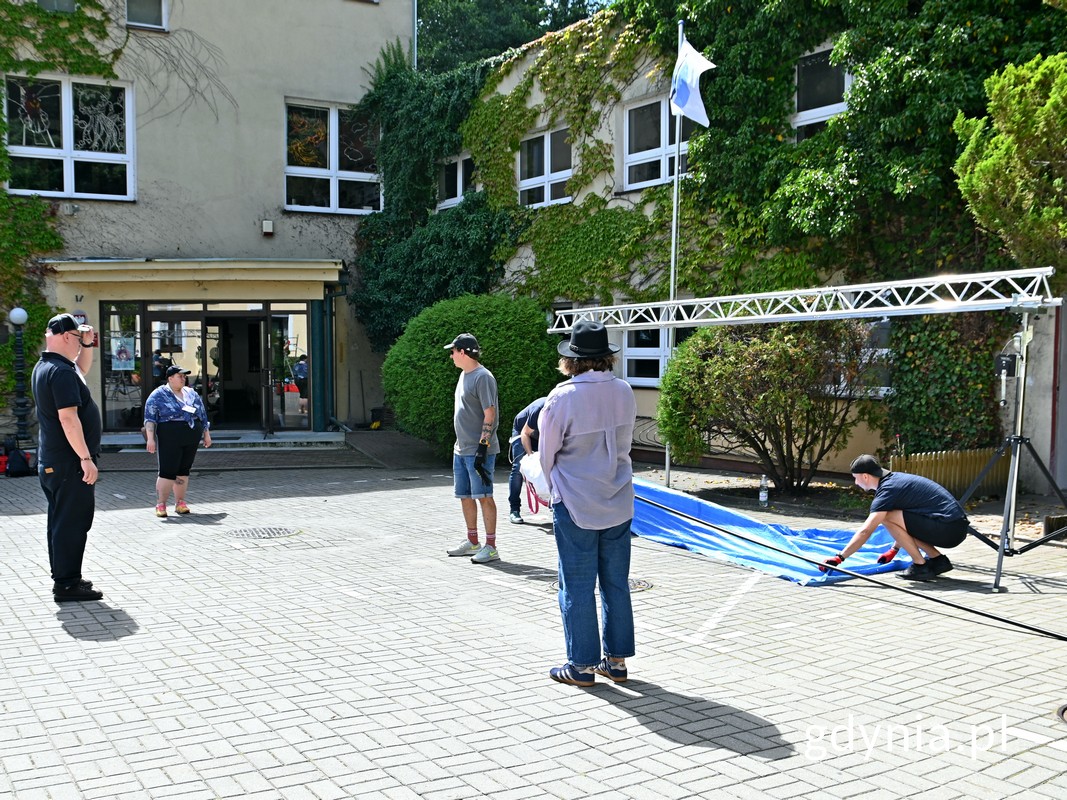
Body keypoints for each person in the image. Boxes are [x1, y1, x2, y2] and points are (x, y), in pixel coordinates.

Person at [539, 320, 637, 686]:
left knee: (577, 585)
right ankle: (616, 662)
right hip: (618, 497)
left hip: (576, 500)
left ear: (572, 360)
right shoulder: (625, 390)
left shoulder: (562, 397)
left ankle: (581, 665)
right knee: (616, 584)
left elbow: (547, 454)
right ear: (607, 356)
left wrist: (552, 489)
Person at [31, 313, 104, 602]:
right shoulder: (61, 372)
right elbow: (68, 419)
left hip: (56, 461)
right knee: (72, 523)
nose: (79, 343)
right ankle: (66, 584)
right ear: (65, 337)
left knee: (62, 522)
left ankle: (65, 576)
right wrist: (86, 458)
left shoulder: (49, 366)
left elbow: (82, 368)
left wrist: (86, 344)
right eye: (76, 338)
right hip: (69, 462)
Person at [820, 454, 970, 581]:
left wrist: (840, 557)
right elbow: (906, 525)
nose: (855, 482)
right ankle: (938, 561)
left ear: (865, 476)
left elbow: (866, 531)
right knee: (891, 516)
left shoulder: (887, 490)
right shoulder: (894, 481)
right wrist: (894, 549)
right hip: (955, 527)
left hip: (948, 529)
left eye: (855, 478)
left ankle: (920, 566)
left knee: (885, 517)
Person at [443, 333, 500, 564]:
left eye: (453, 351)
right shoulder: (463, 375)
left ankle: (491, 547)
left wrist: (482, 448)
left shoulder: (483, 377)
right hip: (461, 449)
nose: (451, 356)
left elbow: (490, 413)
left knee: (484, 496)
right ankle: (473, 541)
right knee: (465, 496)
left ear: (463, 352)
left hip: (478, 451)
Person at [144, 365, 213, 517]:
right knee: (167, 471)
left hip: (191, 435)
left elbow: (202, 414)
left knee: (183, 469)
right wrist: (150, 439)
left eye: (184, 376)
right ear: (170, 378)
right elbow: (150, 418)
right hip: (170, 435)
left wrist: (206, 434)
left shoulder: (191, 393)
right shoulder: (158, 394)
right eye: (180, 376)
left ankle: (180, 502)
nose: (183, 378)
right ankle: (161, 504)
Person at [507, 396, 547, 524]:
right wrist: (530, 457)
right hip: (522, 431)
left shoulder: (564, 411)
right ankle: (514, 509)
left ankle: (555, 505)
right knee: (518, 468)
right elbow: (525, 433)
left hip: (539, 433)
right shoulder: (539, 409)